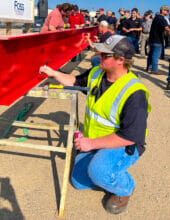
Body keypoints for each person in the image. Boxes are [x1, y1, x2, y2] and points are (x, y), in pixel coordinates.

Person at [40, 35, 150, 215]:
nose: (99, 56)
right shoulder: (96, 73)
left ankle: (125, 188)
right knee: (78, 181)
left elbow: (131, 136)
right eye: (100, 52)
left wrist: (90, 144)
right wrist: (54, 73)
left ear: (120, 60)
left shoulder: (135, 93)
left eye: (105, 55)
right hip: (97, 139)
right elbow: (75, 81)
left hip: (123, 144)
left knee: (99, 171)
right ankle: (103, 171)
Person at [146, 5, 170, 74]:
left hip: (152, 39)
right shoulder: (161, 18)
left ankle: (149, 67)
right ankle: (154, 70)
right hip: (157, 40)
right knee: (155, 56)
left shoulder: (156, 17)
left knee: (151, 54)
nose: (168, 12)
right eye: (167, 10)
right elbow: (166, 28)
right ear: (163, 10)